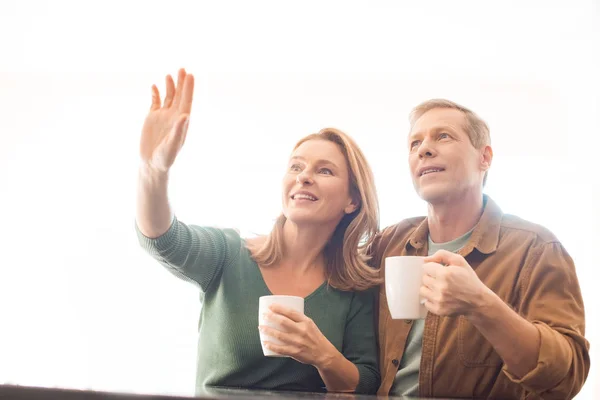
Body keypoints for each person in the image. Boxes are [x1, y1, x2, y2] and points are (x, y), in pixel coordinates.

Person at [135, 68, 381, 395]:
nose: (303, 176)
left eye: (324, 170)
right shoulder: (227, 255)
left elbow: (364, 383)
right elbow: (161, 239)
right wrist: (154, 171)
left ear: (352, 200)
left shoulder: (354, 287)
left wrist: (323, 355)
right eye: (296, 166)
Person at [369, 99, 590, 399]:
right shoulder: (388, 242)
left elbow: (566, 378)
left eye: (443, 136)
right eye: (414, 143)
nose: (424, 149)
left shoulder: (537, 249)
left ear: (484, 158)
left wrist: (481, 304)